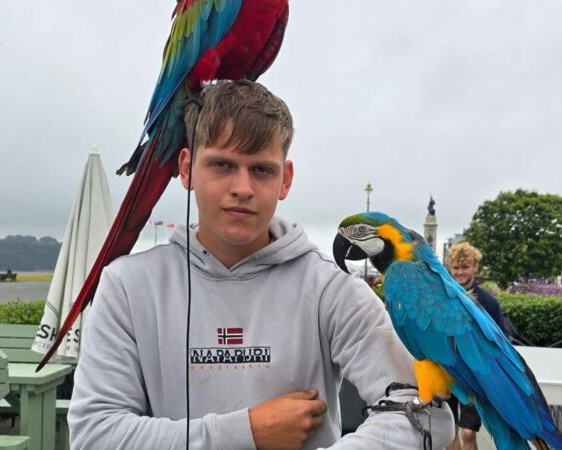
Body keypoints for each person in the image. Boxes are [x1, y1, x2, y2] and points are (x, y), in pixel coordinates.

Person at [68, 80, 453, 449]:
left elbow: (430, 419)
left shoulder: (332, 291)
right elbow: (93, 435)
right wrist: (244, 431)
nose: (243, 188)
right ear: (185, 169)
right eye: (221, 165)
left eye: (261, 170)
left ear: (285, 180)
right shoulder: (127, 286)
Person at [445, 242, 505, 450]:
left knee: (468, 432)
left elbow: (500, 343)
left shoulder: (489, 303)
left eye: (465, 267)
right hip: (446, 371)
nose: (460, 273)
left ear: (475, 267)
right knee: (448, 430)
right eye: (456, 268)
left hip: (475, 376)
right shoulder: (441, 299)